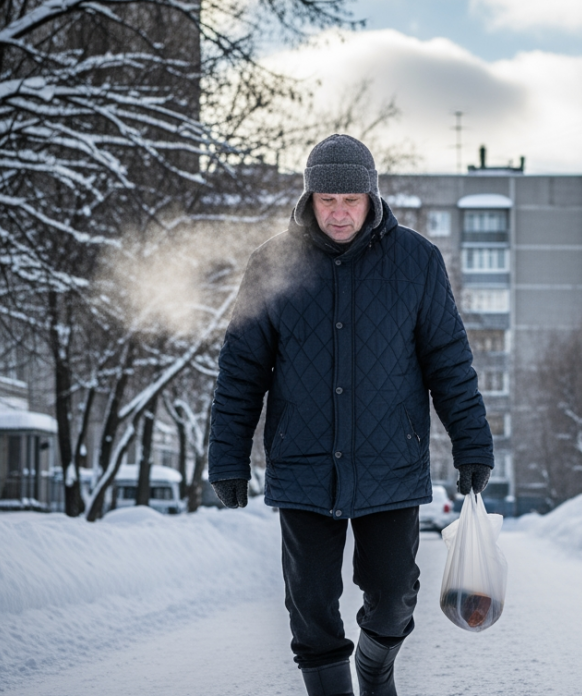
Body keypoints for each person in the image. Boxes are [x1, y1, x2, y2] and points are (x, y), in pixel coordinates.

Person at [207, 134, 494, 696]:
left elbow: (450, 365)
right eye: (327, 199)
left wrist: (473, 447)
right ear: (309, 198)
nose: (339, 212)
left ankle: (375, 662)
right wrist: (228, 457)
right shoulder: (272, 263)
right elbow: (241, 369)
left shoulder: (417, 262)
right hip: (302, 463)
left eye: (351, 199)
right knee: (310, 605)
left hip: (390, 461)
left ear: (372, 197)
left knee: (393, 595)